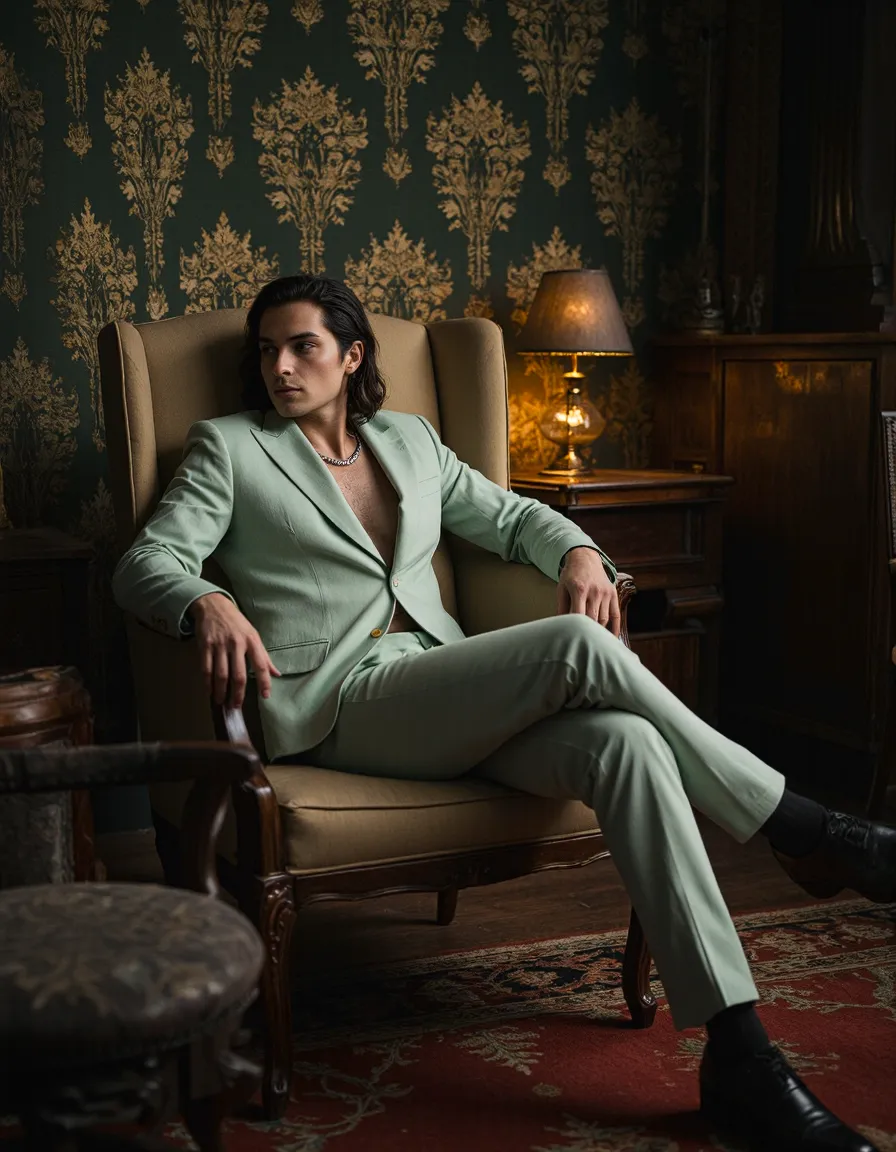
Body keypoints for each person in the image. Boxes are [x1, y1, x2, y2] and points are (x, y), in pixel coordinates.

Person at [113, 274, 895, 1152]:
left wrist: (584, 553)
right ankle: (802, 826)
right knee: (577, 647)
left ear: (353, 356)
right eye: (267, 350)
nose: (280, 366)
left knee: (629, 743)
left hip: (443, 686)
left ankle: (740, 1058)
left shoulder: (411, 442)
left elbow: (517, 517)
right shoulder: (229, 448)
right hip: (337, 705)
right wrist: (206, 602)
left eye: (303, 346)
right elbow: (145, 562)